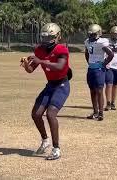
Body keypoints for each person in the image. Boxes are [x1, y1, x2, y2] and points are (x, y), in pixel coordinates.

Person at [20, 23, 71, 160]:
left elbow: (59, 66)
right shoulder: (39, 50)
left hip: (62, 85)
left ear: (58, 36)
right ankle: (45, 140)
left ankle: (56, 148)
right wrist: (26, 64)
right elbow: (31, 70)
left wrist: (41, 60)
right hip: (50, 85)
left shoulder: (61, 49)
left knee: (50, 114)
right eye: (45, 37)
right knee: (36, 114)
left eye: (50, 37)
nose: (47, 40)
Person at [84, 24, 113, 120]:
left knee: (99, 91)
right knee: (92, 91)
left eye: (93, 34)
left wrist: (104, 64)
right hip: (91, 69)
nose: (91, 36)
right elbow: (87, 53)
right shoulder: (87, 42)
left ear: (98, 33)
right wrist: (89, 63)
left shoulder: (102, 42)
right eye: (90, 34)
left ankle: (101, 113)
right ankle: (95, 112)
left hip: (99, 70)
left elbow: (111, 54)